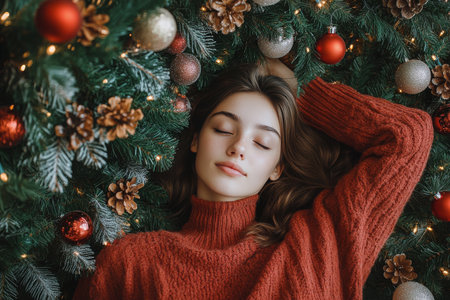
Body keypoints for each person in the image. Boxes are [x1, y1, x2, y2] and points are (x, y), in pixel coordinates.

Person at [72, 59, 434, 300]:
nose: (238, 148)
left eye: (262, 143)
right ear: (197, 139)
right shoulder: (131, 262)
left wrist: (295, 93)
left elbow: (408, 136)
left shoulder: (319, 243)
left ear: (277, 167)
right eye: (224, 128)